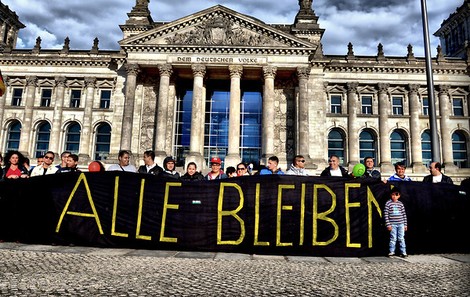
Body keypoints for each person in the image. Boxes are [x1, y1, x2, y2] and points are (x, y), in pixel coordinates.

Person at [384, 187, 408, 258]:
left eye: (396, 195)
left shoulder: (400, 204)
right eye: (393, 195)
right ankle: (391, 251)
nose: (394, 196)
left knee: (401, 238)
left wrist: (405, 225)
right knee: (393, 238)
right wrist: (388, 224)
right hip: (392, 224)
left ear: (399, 196)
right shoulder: (388, 203)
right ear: (391, 195)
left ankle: (403, 252)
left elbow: (404, 214)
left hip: (401, 224)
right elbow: (386, 214)